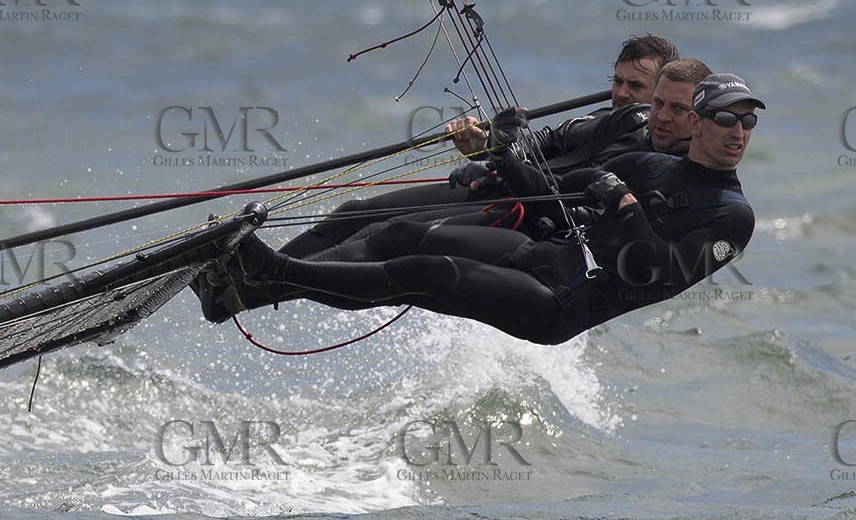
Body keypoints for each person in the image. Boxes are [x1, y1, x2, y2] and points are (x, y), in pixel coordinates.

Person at [199, 74, 759, 346]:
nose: (738, 132)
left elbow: (649, 272)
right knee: (406, 236)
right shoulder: (655, 164)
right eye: (728, 119)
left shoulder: (733, 216)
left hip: (561, 302)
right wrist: (506, 155)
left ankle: (272, 273)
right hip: (541, 253)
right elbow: (567, 190)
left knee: (428, 275)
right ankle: (249, 283)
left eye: (748, 121)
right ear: (703, 123)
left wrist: (622, 206)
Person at [278, 35, 682, 259]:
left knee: (378, 233)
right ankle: (247, 273)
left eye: (636, 86)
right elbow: (541, 142)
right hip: (493, 182)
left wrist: (502, 158)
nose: (621, 93)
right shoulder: (599, 118)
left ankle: (273, 279)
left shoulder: (647, 147)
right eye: (617, 81)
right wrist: (487, 145)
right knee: (356, 210)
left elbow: (559, 187)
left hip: (520, 210)